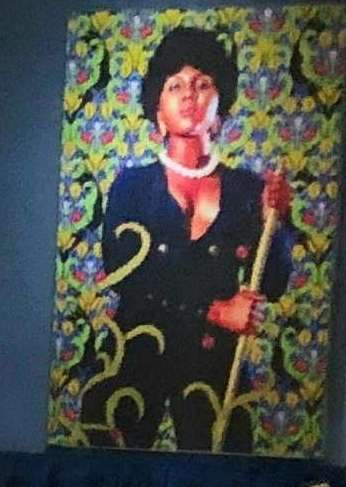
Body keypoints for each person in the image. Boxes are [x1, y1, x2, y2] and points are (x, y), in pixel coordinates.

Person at [76, 26, 277, 449]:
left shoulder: (247, 190)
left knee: (219, 482)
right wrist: (214, 310)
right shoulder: (131, 187)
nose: (189, 95)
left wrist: (278, 223)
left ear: (220, 106)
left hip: (213, 375)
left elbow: (273, 283)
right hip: (133, 367)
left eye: (202, 84)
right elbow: (126, 277)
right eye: (175, 85)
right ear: (158, 108)